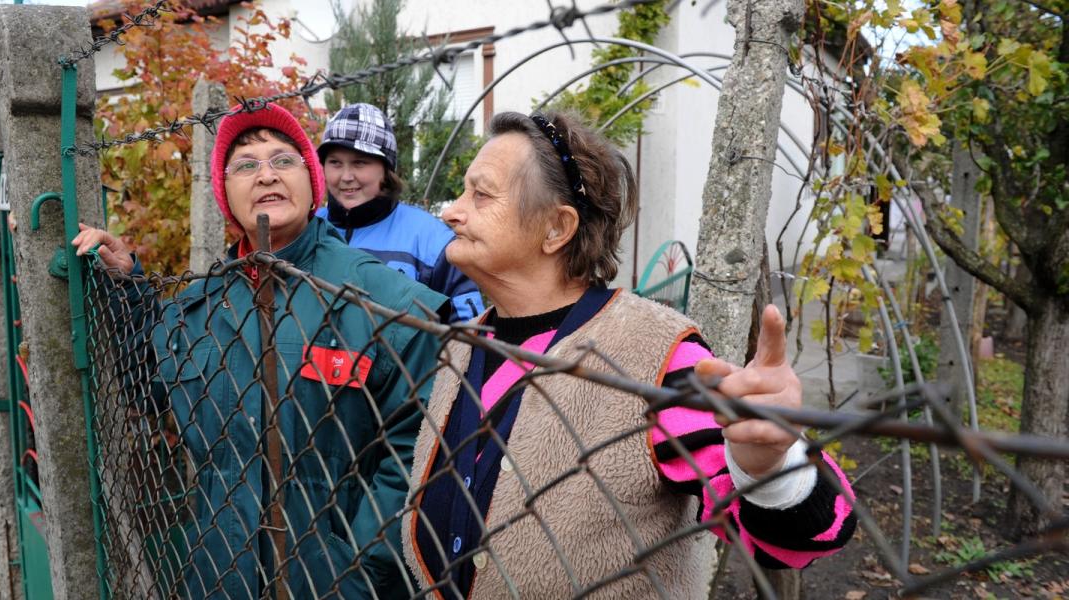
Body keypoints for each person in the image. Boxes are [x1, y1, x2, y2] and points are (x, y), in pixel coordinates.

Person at [401, 111, 858, 598]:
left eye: (481, 194)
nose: (451, 211)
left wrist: (767, 465)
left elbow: (809, 535)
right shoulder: (464, 343)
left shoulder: (654, 355)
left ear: (556, 228)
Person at [73, 103, 445, 599]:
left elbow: (416, 454)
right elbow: (150, 385)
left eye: (283, 160)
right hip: (219, 575)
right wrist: (127, 288)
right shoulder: (200, 307)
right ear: (225, 195)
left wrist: (358, 571)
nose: (266, 174)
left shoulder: (385, 301)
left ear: (313, 183)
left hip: (333, 583)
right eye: (245, 165)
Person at [316, 102, 484, 321]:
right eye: (335, 163)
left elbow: (469, 331)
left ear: (386, 170)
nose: (346, 176)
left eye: (359, 163)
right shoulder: (309, 227)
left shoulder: (432, 239)